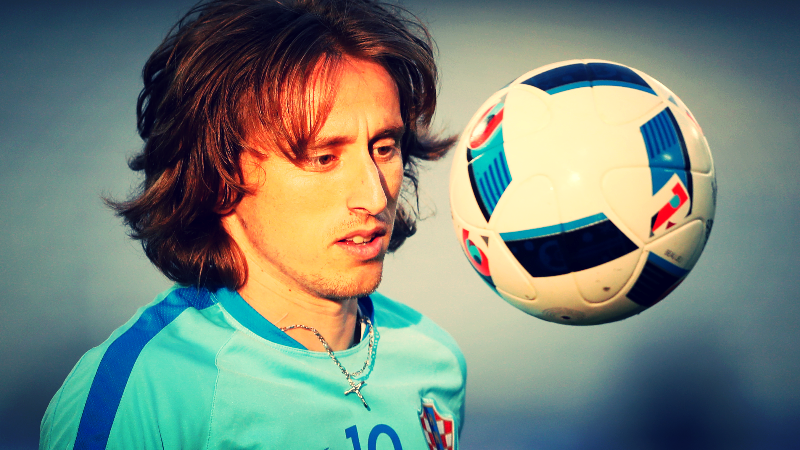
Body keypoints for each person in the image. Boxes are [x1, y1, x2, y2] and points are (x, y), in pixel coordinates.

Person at [39, 0, 466, 449]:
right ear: (218, 178)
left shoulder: (433, 360)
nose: (375, 197)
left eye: (384, 147)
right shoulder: (145, 390)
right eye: (323, 157)